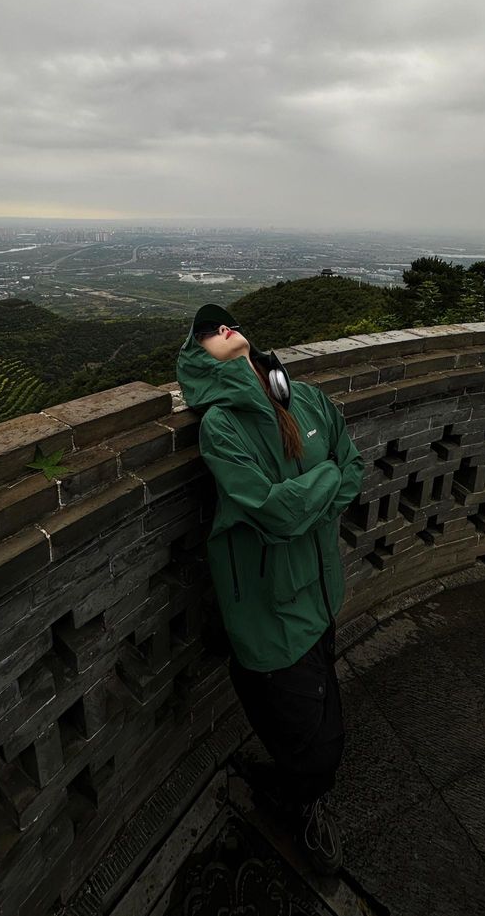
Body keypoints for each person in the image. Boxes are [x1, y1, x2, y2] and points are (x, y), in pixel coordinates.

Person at [176, 303, 366, 875]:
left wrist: (321, 485)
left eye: (225, 321)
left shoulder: (304, 398)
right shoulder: (221, 427)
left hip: (320, 592)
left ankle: (295, 790)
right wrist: (325, 476)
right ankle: (303, 809)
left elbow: (353, 465)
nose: (222, 328)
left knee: (320, 705)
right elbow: (275, 512)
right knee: (316, 735)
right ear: (197, 358)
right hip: (270, 612)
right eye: (208, 332)